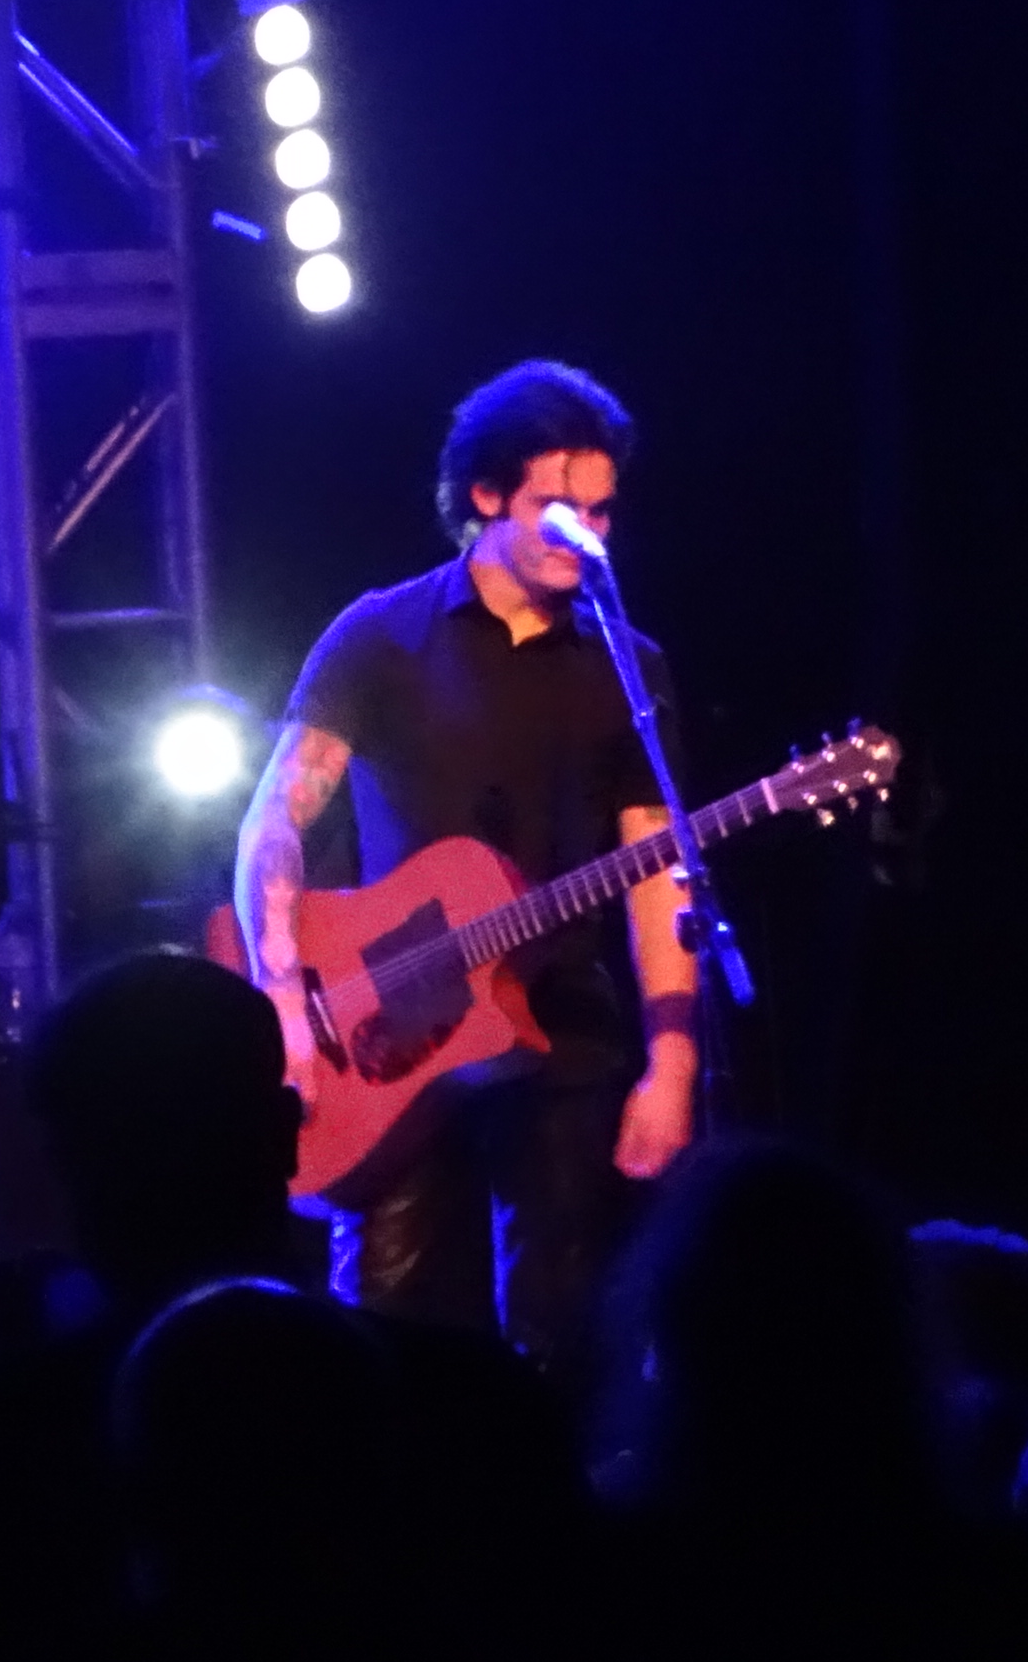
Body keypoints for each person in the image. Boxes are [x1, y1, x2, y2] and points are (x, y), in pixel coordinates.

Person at [232, 357, 699, 1378]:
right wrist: (284, 1001)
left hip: (559, 1032)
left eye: (601, 514)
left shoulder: (628, 665)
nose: (586, 535)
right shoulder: (381, 635)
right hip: (385, 1036)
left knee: (562, 1337)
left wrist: (673, 1061)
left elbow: (657, 874)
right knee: (382, 1336)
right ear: (486, 495)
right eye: (558, 511)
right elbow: (276, 822)